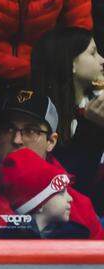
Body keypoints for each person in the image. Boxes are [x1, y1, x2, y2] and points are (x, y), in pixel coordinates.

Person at [0, 87, 103, 239]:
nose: (17, 140)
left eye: (31, 131)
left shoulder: (78, 204)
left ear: (51, 142)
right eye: (8, 128)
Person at [31, 27, 104, 213]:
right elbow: (73, 182)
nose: (102, 60)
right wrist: (93, 129)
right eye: (93, 53)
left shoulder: (95, 101)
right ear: (70, 63)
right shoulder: (40, 119)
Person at [0, 146, 90, 239]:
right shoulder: (7, 241)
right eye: (61, 193)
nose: (70, 198)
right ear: (39, 204)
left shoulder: (76, 236)